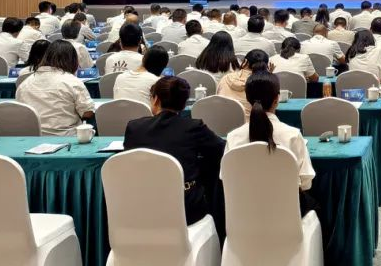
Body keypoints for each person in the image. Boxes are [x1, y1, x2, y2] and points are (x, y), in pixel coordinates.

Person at [124, 76, 224, 225]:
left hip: (141, 205)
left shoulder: (134, 127)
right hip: (185, 208)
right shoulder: (193, 127)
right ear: (183, 105)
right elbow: (221, 148)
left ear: (155, 99)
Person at [225, 71, 316, 214]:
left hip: (245, 215)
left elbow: (226, 180)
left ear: (247, 99)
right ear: (276, 99)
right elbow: (306, 183)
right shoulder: (292, 135)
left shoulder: (233, 137)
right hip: (287, 214)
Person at [15, 41, 95, 136]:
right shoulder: (72, 81)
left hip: (33, 138)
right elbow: (87, 113)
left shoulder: (24, 84)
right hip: (67, 137)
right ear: (73, 60)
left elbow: (20, 111)